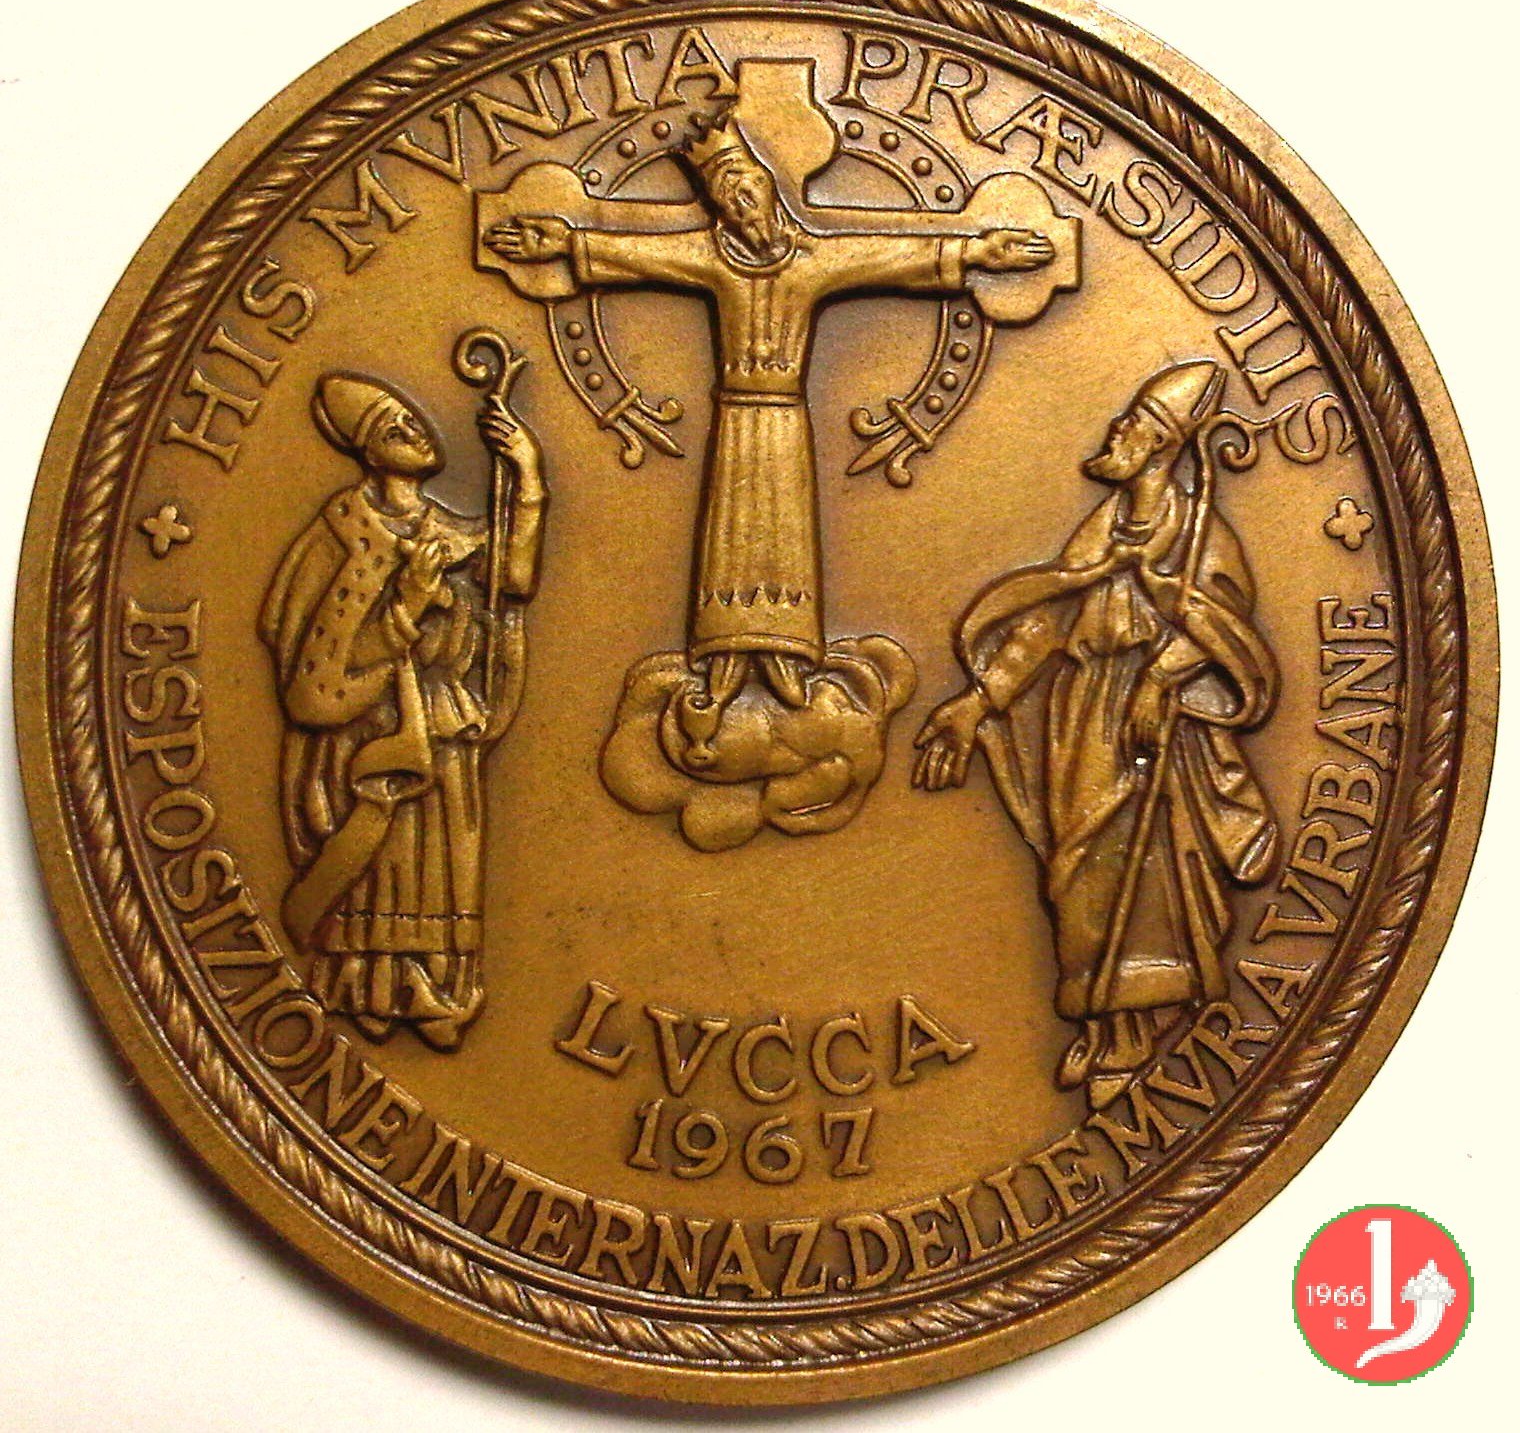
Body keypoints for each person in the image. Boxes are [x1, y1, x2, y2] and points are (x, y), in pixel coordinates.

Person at [485, 106, 1053, 721]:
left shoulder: (813, 260)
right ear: (719, 209)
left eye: (748, 186)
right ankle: (724, 660)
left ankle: (787, 661)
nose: (742, 203)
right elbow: (637, 255)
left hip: (784, 424)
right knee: (728, 535)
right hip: (735, 421)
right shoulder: (708, 258)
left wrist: (977, 251)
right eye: (727, 196)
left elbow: (893, 256)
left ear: (769, 187)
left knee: (786, 536)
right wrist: (566, 242)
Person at [914, 361, 1279, 1106]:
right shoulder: (1105, 528)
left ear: (1162, 444)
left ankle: (1142, 1024)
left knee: (1146, 868)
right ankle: (1104, 1018)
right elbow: (1047, 620)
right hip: (1082, 714)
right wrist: (980, 701)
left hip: (1155, 725)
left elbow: (1227, 631)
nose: (1118, 429)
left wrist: (1160, 676)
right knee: (1076, 870)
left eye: (1135, 422)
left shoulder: (1199, 535)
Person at [260, 372, 545, 1049]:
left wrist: (528, 474)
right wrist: (408, 606)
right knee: (383, 867)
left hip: (443, 718)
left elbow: (511, 579)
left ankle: (438, 991)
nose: (414, 430)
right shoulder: (342, 536)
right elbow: (317, 668)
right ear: (367, 453)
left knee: (443, 863)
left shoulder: (448, 530)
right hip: (371, 729)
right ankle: (370, 992)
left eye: (411, 420)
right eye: (393, 429)